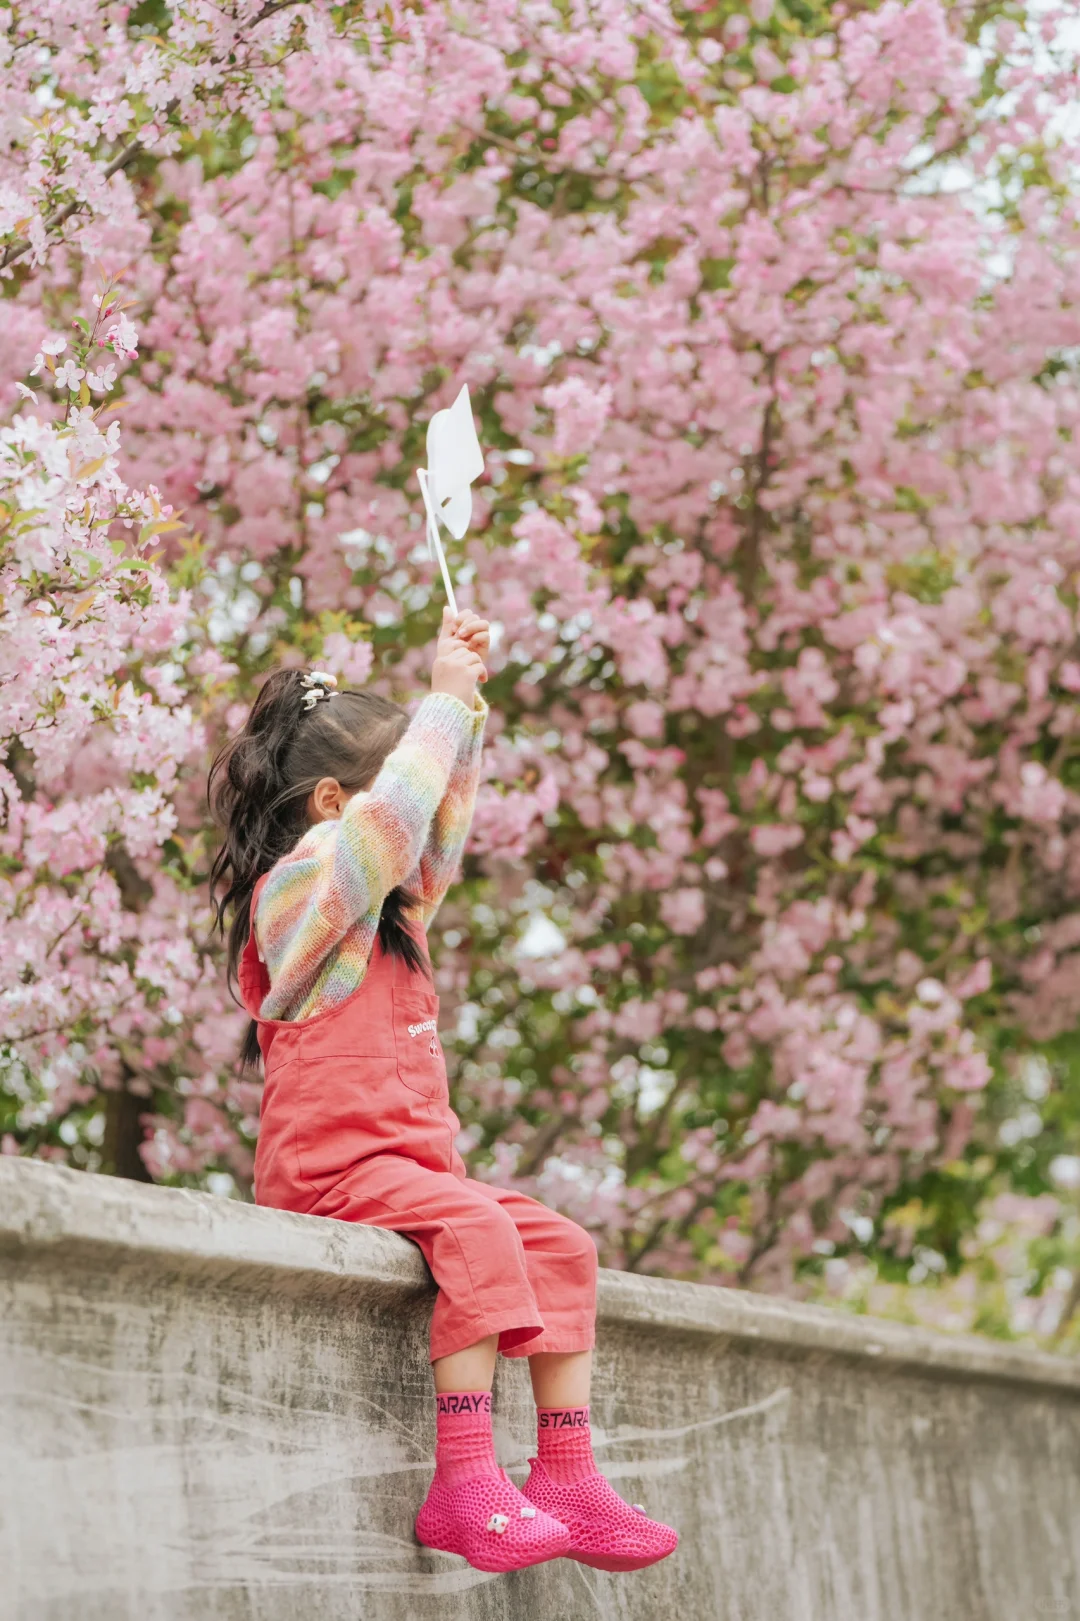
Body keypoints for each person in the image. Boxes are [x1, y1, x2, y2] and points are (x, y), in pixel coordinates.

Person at [208, 608, 678, 1576]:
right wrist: (440, 699)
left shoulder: (384, 905)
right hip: (332, 1174)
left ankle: (567, 1475)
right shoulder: (302, 894)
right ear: (331, 801)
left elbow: (432, 828)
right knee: (480, 1233)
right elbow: (392, 825)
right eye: (391, 802)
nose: (412, 831)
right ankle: (464, 1478)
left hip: (409, 1170)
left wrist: (462, 713)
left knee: (561, 1242)